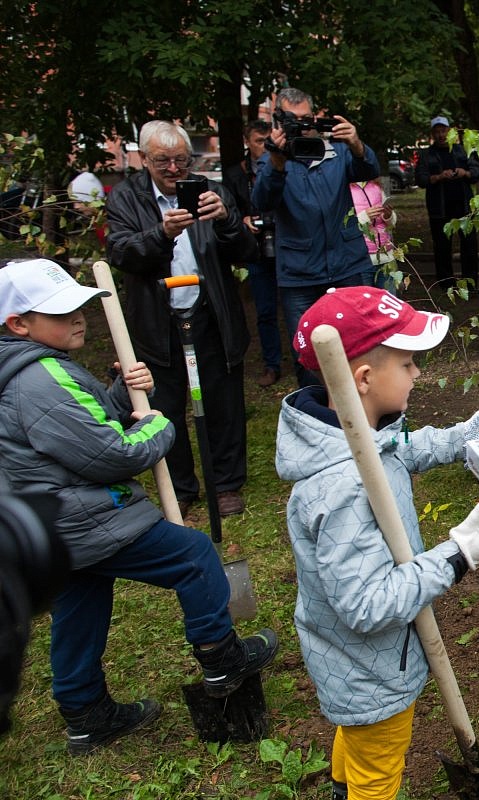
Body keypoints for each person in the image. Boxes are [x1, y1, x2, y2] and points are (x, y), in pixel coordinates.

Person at [0, 258, 277, 755]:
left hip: (48, 523)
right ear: (18, 324)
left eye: (80, 307)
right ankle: (222, 658)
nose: (78, 318)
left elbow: (72, 431)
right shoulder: (38, 378)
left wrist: (116, 394)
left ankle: (85, 713)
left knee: (80, 603)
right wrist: (158, 423)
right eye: (61, 313)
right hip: (80, 519)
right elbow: (113, 453)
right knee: (192, 556)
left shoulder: (27, 370)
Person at [275, 286, 479, 800]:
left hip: (354, 662)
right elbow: (367, 605)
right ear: (363, 379)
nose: (416, 374)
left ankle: (344, 786)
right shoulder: (345, 486)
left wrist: (458, 440)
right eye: (409, 364)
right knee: (378, 766)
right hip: (371, 670)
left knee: (357, 743)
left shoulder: (358, 433)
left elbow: (401, 450)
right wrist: (460, 554)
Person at [106, 120, 257, 517]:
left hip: (211, 312)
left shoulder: (214, 191)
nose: (174, 169)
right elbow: (121, 254)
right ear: (143, 159)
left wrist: (225, 220)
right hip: (157, 319)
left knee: (223, 402)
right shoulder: (125, 198)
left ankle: (225, 484)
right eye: (162, 161)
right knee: (166, 404)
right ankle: (181, 487)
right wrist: (161, 233)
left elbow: (247, 251)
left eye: (181, 160)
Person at [251, 87, 380, 387]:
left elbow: (368, 169)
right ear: (279, 122)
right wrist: (277, 162)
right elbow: (262, 202)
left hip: (348, 265)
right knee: (306, 353)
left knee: (361, 342)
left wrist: (357, 143)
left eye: (307, 119)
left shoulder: (337, 151)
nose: (302, 126)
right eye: (293, 120)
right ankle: (316, 415)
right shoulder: (272, 160)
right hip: (300, 274)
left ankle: (365, 415)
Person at [224, 119, 283, 387]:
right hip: (256, 251)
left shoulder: (283, 165)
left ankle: (305, 360)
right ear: (247, 141)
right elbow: (227, 210)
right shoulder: (236, 174)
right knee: (265, 311)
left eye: (267, 140)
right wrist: (243, 220)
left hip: (285, 247)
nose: (264, 146)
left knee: (298, 308)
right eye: (259, 141)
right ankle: (272, 364)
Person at [415, 116, 479, 288]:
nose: (441, 135)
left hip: (464, 207)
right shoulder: (427, 154)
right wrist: (438, 177)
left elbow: (476, 172)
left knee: (469, 246)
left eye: (443, 130)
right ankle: (446, 283)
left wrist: (464, 173)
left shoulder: (462, 151)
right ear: (432, 134)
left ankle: (470, 283)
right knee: (442, 247)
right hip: (440, 208)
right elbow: (420, 179)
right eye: (437, 132)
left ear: (450, 131)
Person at [350, 176, 397, 286]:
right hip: (361, 261)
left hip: (386, 258)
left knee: (387, 301)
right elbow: (341, 225)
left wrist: (388, 215)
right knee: (366, 302)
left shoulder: (376, 186)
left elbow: (392, 222)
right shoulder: (343, 189)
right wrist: (364, 217)